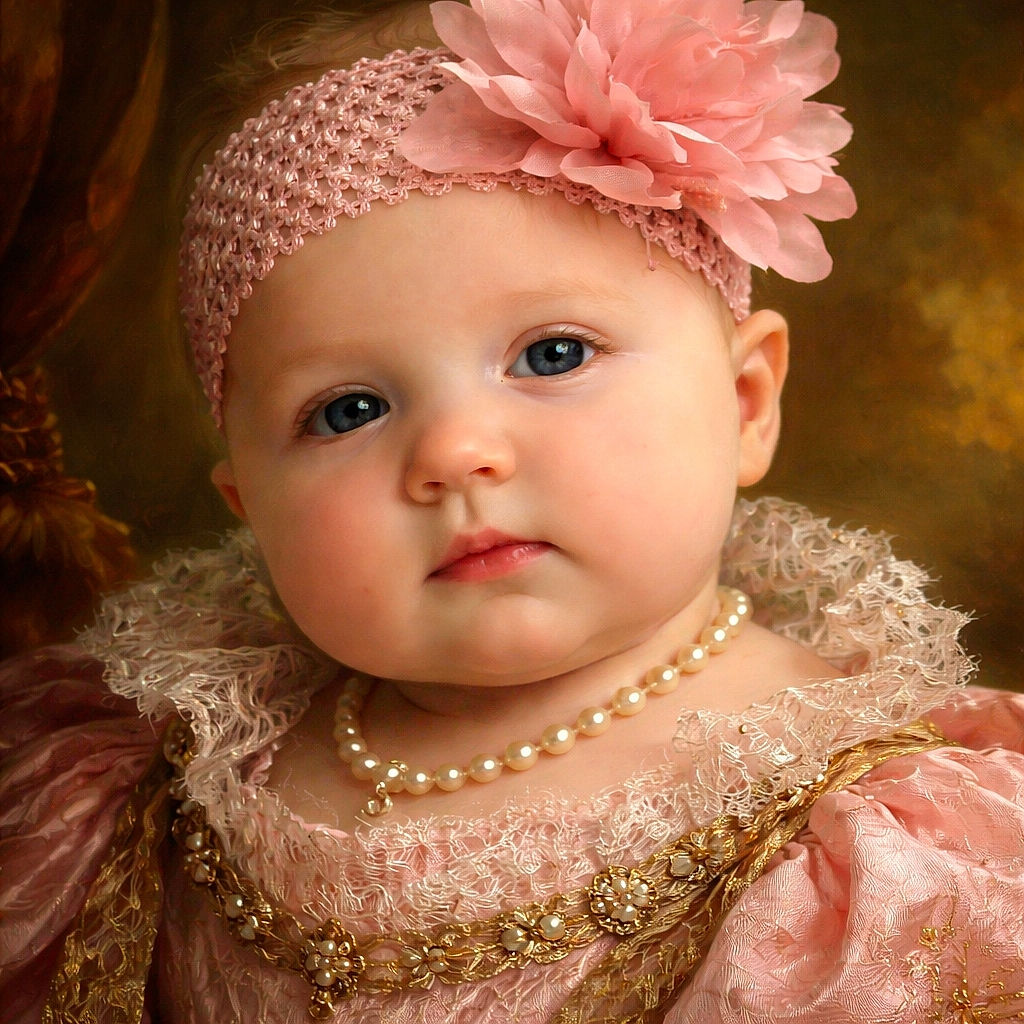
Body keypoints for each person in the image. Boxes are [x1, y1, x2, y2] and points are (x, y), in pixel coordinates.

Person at [2, 1, 1022, 1021]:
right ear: (250, 507)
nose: (454, 454)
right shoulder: (165, 782)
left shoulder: (875, 849)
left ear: (745, 402)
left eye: (552, 354)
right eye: (348, 410)